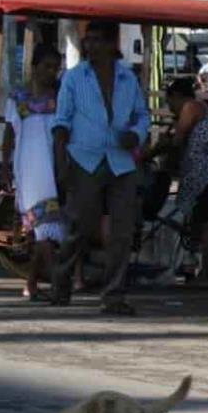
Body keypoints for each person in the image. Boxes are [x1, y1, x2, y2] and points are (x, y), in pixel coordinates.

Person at [52, 20, 150, 315]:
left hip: (121, 161)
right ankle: (60, 284)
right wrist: (61, 162)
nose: (90, 46)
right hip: (85, 157)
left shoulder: (127, 78)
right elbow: (61, 123)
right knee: (79, 226)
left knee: (122, 230)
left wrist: (137, 134)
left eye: (96, 40)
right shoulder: (74, 78)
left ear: (111, 44)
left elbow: (141, 115)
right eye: (87, 40)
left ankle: (114, 294)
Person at [143, 78, 208, 287]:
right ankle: (205, 268)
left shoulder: (191, 107)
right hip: (201, 174)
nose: (170, 108)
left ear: (177, 97)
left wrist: (152, 152)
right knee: (203, 222)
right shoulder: (195, 109)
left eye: (170, 102)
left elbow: (177, 140)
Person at [3, 42, 65, 302]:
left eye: (55, 68)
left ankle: (32, 284)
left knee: (49, 228)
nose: (51, 72)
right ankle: (56, 283)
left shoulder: (62, 96)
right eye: (47, 66)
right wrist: (6, 168)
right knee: (41, 227)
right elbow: (9, 135)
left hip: (56, 164)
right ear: (34, 67)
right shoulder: (18, 97)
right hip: (29, 169)